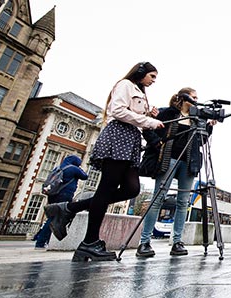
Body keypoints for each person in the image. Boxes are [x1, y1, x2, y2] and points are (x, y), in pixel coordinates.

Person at [44, 62, 164, 261]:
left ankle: (69, 208)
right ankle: (89, 242)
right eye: (152, 76)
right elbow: (117, 111)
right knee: (106, 189)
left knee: (132, 189)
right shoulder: (125, 84)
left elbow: (132, 113)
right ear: (141, 73)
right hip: (119, 137)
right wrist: (148, 121)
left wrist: (147, 114)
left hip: (130, 139)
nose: (153, 81)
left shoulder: (139, 92)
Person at [136, 87, 216, 257]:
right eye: (193, 97)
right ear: (184, 97)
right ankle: (144, 242)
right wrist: (158, 143)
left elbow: (200, 142)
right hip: (168, 159)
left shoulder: (196, 118)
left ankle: (177, 241)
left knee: (183, 203)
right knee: (158, 198)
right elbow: (148, 128)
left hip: (188, 163)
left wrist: (209, 128)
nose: (196, 100)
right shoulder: (167, 113)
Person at [35, 155, 88, 250]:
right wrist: (80, 168)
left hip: (53, 194)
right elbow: (85, 176)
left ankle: (42, 239)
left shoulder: (59, 167)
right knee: (56, 218)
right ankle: (41, 241)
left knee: (52, 217)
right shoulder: (74, 169)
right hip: (64, 194)